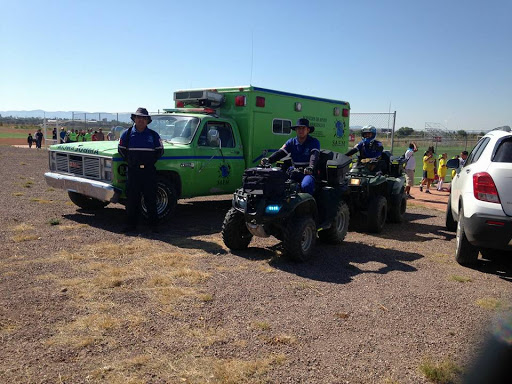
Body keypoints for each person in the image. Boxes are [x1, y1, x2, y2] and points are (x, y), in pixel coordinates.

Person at [118, 107, 163, 233]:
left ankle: (154, 226)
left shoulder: (153, 135)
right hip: (133, 172)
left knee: (151, 199)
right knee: (132, 199)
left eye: (143, 118)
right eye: (138, 117)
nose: (141, 120)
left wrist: (149, 162)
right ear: (134, 119)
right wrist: (131, 161)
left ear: (147, 120)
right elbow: (121, 149)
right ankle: (131, 226)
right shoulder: (127, 134)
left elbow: (160, 151)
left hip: (149, 172)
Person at [260, 118, 320, 194]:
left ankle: (309, 204)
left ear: (308, 130)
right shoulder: (291, 142)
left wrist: (311, 167)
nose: (300, 130)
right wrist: (269, 159)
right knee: (276, 182)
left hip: (307, 173)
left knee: (306, 185)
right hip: (294, 171)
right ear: (295, 130)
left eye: (303, 128)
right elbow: (281, 152)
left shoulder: (314, 142)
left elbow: (314, 155)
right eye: (298, 128)